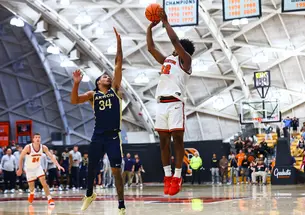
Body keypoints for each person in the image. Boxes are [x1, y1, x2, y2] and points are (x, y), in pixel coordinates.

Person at [70, 28, 126, 214]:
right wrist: (76, 83)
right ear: (97, 82)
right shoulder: (92, 94)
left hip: (113, 137)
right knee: (92, 166)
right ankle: (89, 194)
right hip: (98, 134)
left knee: (116, 171)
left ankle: (121, 205)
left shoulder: (115, 90)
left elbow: (118, 63)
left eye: (108, 76)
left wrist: (119, 43)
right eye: (104, 77)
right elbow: (74, 101)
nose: (108, 77)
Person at [146, 9, 195, 196]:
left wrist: (166, 22)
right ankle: (167, 176)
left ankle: (177, 175)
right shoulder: (167, 60)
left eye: (178, 47)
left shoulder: (186, 61)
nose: (174, 48)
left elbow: (175, 41)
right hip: (161, 104)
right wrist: (150, 28)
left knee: (177, 140)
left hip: (175, 103)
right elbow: (150, 48)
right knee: (163, 143)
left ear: (182, 49)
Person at [16, 133, 64, 205]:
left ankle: (49, 199)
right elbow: (21, 158)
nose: (38, 139)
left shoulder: (43, 147)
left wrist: (58, 165)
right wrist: (20, 169)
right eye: (36, 137)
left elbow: (51, 157)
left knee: (44, 183)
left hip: (38, 167)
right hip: (29, 169)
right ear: (33, 139)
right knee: (31, 187)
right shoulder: (28, 147)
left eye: (39, 137)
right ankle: (32, 193)